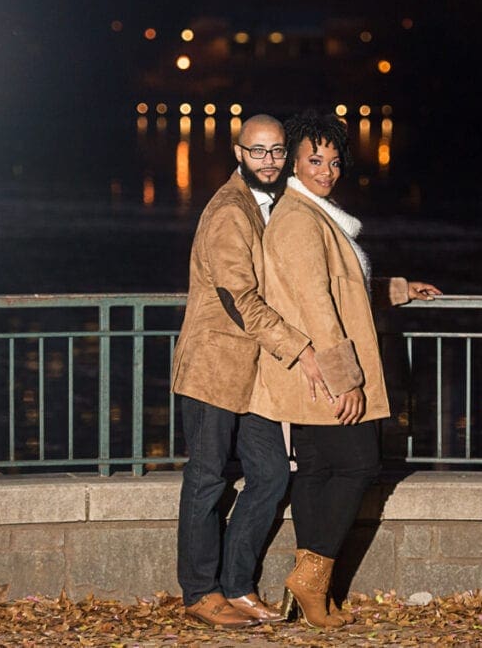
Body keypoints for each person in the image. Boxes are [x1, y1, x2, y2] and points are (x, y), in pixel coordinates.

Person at [249, 111, 441, 628]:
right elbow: (315, 302)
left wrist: (397, 290)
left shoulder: (317, 214)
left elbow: (342, 288)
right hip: (328, 374)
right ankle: (311, 581)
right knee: (357, 465)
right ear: (293, 160)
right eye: (315, 160)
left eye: (334, 162)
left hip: (317, 375)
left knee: (318, 469)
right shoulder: (298, 219)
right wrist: (345, 378)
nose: (326, 171)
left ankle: (312, 592)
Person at [171, 114, 332, 629]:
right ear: (238, 153)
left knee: (269, 474)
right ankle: (200, 592)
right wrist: (302, 350)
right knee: (207, 479)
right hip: (215, 369)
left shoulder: (272, 206)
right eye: (258, 151)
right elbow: (239, 297)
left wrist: (395, 287)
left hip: (255, 374)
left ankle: (237, 586)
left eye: (278, 151)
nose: (270, 161)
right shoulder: (228, 212)